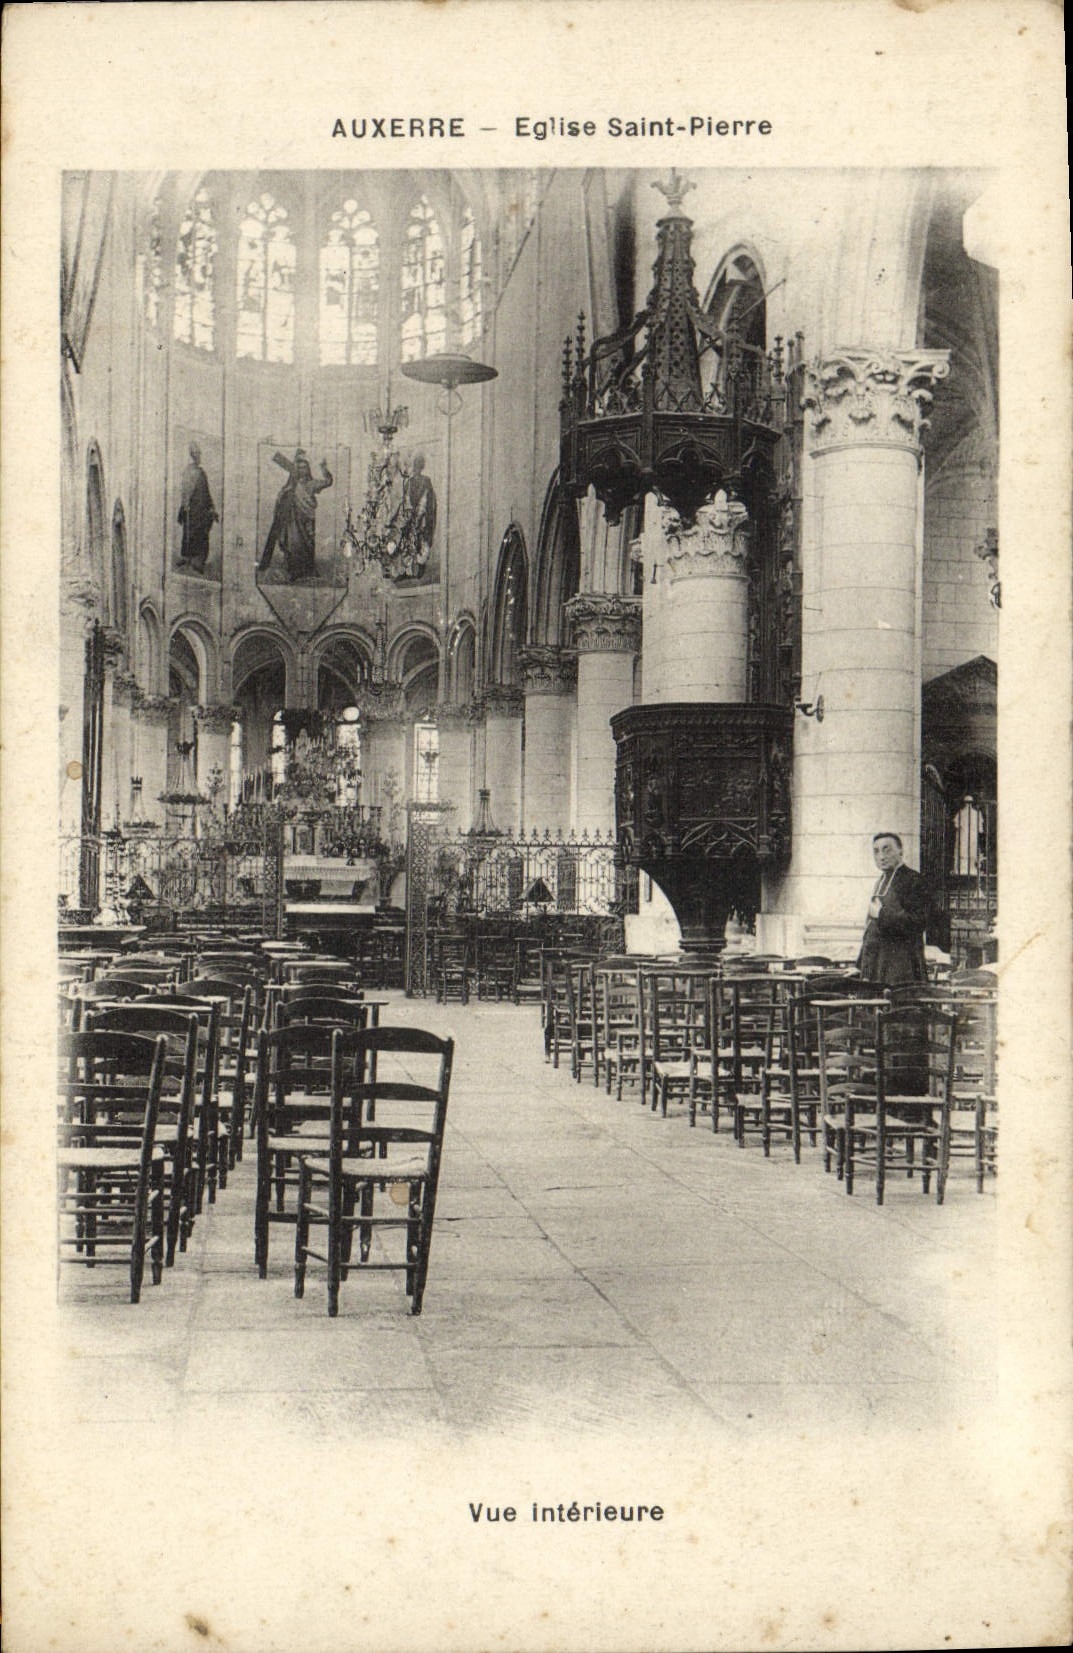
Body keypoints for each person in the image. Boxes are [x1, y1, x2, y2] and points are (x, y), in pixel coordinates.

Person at [857, 831, 929, 986]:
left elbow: (918, 923)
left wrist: (881, 914)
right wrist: (859, 966)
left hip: (901, 967)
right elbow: (871, 929)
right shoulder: (881, 881)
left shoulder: (913, 879)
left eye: (887, 849)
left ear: (901, 851)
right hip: (876, 965)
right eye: (876, 851)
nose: (881, 856)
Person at [258, 449, 333, 581]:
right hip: (293, 520)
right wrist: (282, 496)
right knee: (292, 544)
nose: (302, 470)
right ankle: (293, 572)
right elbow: (282, 496)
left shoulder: (312, 484)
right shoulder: (291, 486)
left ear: (308, 469)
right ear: (296, 470)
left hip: (307, 521)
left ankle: (307, 572)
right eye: (299, 468)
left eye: (304, 467)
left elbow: (328, 482)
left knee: (308, 545)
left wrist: (324, 468)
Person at [177, 442, 218, 572]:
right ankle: (187, 558)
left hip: (201, 511)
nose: (199, 456)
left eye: (199, 454)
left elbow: (206, 492)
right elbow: (185, 492)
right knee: (188, 533)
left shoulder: (201, 473)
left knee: (201, 535)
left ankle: (198, 562)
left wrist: (211, 507)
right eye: (197, 454)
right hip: (192, 510)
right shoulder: (188, 472)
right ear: (193, 455)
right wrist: (184, 506)